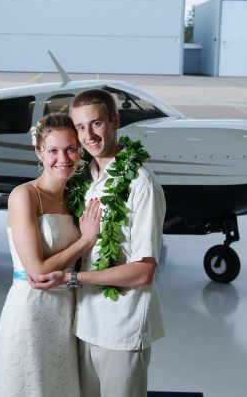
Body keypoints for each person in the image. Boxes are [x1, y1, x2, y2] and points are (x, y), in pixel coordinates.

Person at [32, 89, 166, 397]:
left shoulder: (141, 183)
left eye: (96, 124)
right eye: (80, 127)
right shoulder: (85, 176)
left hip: (123, 326)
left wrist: (73, 278)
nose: (88, 135)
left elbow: (144, 271)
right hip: (85, 323)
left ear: (115, 121)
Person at [0, 112, 102, 397]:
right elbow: (36, 270)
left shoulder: (74, 197)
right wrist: (85, 240)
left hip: (65, 310)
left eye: (71, 149)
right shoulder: (24, 196)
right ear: (39, 151)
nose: (63, 158)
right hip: (31, 308)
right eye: (53, 150)